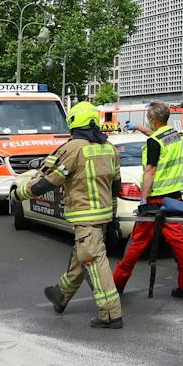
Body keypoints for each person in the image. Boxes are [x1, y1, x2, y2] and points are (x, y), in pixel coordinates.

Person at [32, 101, 124, 329]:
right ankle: (60, 295)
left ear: (73, 122)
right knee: (81, 259)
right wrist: (111, 215)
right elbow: (116, 186)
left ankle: (111, 315)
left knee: (93, 262)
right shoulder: (109, 148)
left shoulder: (72, 148)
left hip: (85, 218)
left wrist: (19, 194)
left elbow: (46, 181)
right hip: (102, 217)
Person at [112, 103, 183, 299]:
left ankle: (117, 283)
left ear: (153, 119)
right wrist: (137, 127)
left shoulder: (154, 142)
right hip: (174, 197)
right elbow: (155, 135)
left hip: (155, 199)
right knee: (178, 242)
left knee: (137, 242)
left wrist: (143, 199)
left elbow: (150, 170)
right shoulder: (173, 135)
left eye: (148, 118)